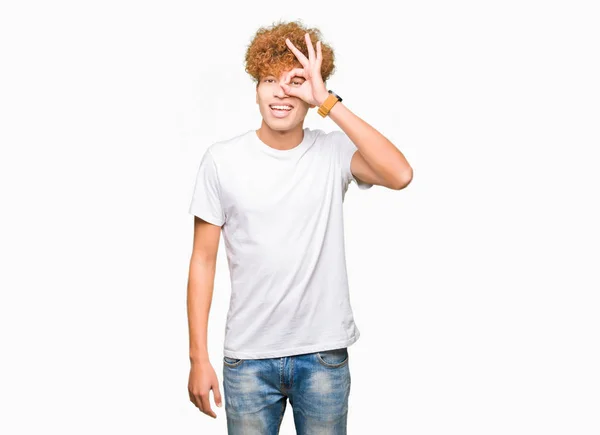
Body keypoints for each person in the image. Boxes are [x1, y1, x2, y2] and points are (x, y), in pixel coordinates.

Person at [186, 20, 413, 435]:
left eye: (295, 81)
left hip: (322, 355)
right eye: (270, 79)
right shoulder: (221, 161)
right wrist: (198, 358)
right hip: (248, 360)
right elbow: (203, 262)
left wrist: (327, 99)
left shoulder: (333, 153)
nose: (281, 92)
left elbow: (400, 174)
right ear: (255, 88)